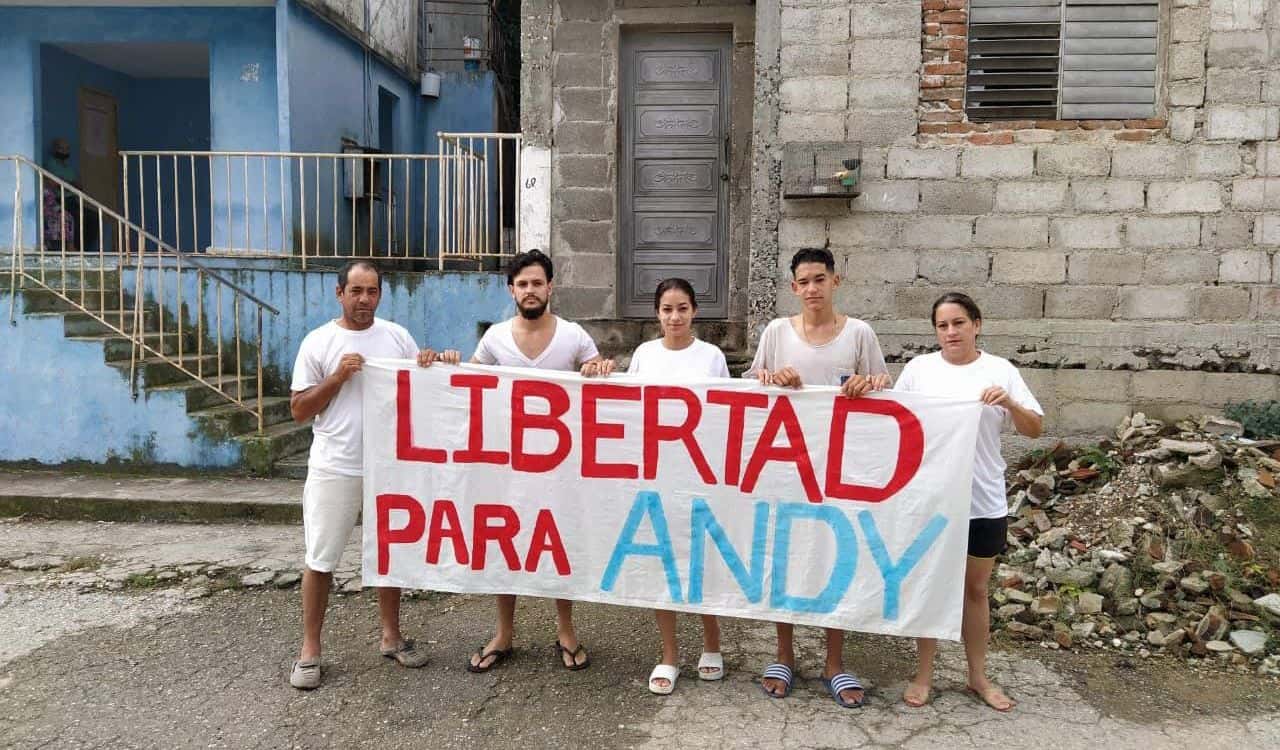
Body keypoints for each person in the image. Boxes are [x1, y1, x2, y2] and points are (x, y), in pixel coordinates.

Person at [288, 260, 460, 690]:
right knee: (320, 558)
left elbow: (420, 391)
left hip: (390, 465)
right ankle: (310, 649)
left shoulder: (396, 336)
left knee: (390, 554)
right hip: (336, 465)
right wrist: (339, 377)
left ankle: (392, 637)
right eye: (357, 291)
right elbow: (299, 410)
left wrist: (432, 362)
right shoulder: (319, 342)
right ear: (339, 293)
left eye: (372, 292)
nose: (365, 300)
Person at [745, 247, 891, 708]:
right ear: (793, 287)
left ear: (836, 281)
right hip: (785, 465)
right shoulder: (775, 332)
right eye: (804, 281)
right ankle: (784, 654)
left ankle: (834, 662)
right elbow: (749, 386)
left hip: (841, 466)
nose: (812, 288)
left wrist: (868, 386)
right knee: (784, 555)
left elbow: (886, 388)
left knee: (836, 557)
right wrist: (771, 378)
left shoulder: (860, 334)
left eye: (820, 280)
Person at [466, 248, 614, 673]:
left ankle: (565, 630)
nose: (530, 291)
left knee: (558, 540)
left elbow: (599, 379)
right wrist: (438, 367)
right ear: (512, 290)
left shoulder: (574, 336)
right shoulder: (494, 338)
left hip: (559, 465)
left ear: (551, 287)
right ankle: (504, 632)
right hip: (507, 464)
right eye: (522, 284)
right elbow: (467, 387)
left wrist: (601, 369)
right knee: (506, 542)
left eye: (537, 283)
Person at [895, 292, 1043, 712]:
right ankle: (923, 675)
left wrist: (1011, 402)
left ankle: (977, 676)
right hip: (933, 499)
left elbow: (1034, 428)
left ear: (976, 324)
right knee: (930, 586)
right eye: (942, 326)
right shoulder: (919, 370)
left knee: (975, 589)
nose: (951, 332)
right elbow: (895, 420)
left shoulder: (1000, 370)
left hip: (983, 499)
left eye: (958, 323)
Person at [625, 278, 730, 695]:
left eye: (682, 308)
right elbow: (628, 407)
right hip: (656, 474)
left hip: (700, 475)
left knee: (701, 561)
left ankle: (712, 644)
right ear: (657, 313)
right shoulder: (644, 354)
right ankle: (669, 654)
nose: (675, 317)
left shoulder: (711, 356)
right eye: (667, 309)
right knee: (662, 564)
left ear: (694, 312)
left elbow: (726, 412)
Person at [42, 137, 76, 250]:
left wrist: (68, 184)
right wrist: (69, 184)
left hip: (71, 199)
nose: (65, 151)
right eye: (62, 148)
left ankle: (76, 248)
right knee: (71, 216)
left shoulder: (68, 167)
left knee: (91, 217)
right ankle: (71, 248)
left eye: (67, 148)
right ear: (55, 149)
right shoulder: (50, 165)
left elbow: (79, 185)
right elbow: (57, 184)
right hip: (61, 199)